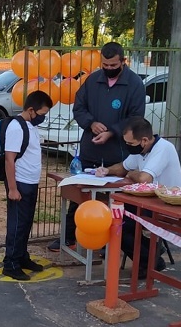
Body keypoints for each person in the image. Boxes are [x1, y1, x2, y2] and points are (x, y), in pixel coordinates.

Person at [48, 42, 146, 251]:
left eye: (113, 65)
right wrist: (91, 123)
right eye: (105, 65)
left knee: (115, 199)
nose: (109, 68)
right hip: (90, 150)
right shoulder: (93, 80)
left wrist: (111, 131)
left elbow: (136, 118)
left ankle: (110, 241)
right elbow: (79, 107)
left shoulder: (135, 84)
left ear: (123, 61)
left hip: (118, 154)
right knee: (79, 194)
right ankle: (69, 236)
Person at [96, 116, 181, 279]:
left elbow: (143, 178)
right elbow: (123, 167)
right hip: (147, 201)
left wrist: (130, 173)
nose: (128, 147)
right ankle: (150, 252)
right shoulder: (141, 149)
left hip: (166, 204)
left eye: (130, 144)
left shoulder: (163, 149)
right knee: (113, 219)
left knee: (120, 225)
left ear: (144, 140)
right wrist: (106, 170)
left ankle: (149, 260)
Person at [3, 90, 53, 281]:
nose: (43, 118)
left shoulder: (30, 126)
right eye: (42, 114)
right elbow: (9, 160)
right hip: (20, 184)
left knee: (26, 223)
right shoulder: (16, 127)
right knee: (17, 224)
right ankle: (11, 263)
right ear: (31, 110)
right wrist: (13, 189)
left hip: (31, 183)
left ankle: (22, 257)